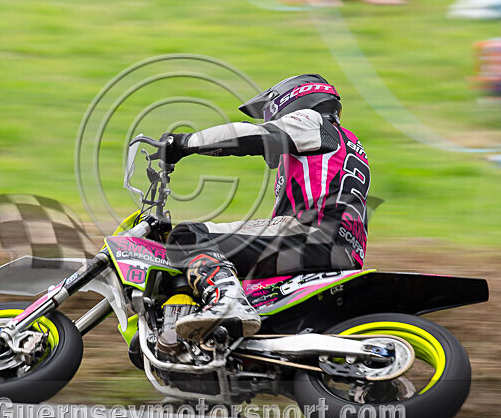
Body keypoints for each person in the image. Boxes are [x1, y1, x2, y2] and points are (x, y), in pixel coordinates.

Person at [151, 74, 371, 342]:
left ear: (296, 101)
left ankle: (229, 302)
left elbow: (250, 135)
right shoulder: (346, 146)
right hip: (341, 248)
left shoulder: (313, 123)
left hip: (312, 234)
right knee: (226, 257)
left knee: (188, 236)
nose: (269, 120)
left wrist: (183, 143)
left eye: (270, 113)